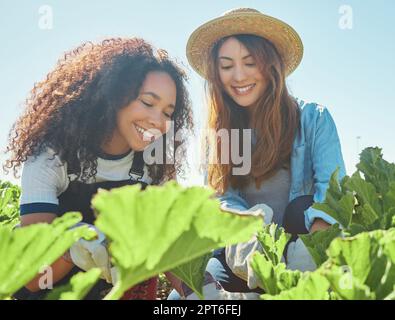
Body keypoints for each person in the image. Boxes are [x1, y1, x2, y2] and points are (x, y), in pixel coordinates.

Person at [169, 7, 346, 299]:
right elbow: (223, 198)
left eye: (250, 62)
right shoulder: (220, 134)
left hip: (303, 241)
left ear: (270, 65)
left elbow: (332, 194)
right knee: (186, 300)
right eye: (227, 65)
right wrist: (245, 237)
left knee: (299, 207)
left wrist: (313, 252)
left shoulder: (314, 118)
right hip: (245, 253)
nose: (238, 76)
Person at [4, 37, 193, 299]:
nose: (157, 121)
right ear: (114, 96)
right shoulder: (51, 157)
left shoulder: (154, 163)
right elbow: (31, 277)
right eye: (148, 103)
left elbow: (169, 246)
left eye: (168, 113)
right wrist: (72, 251)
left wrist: (198, 291)